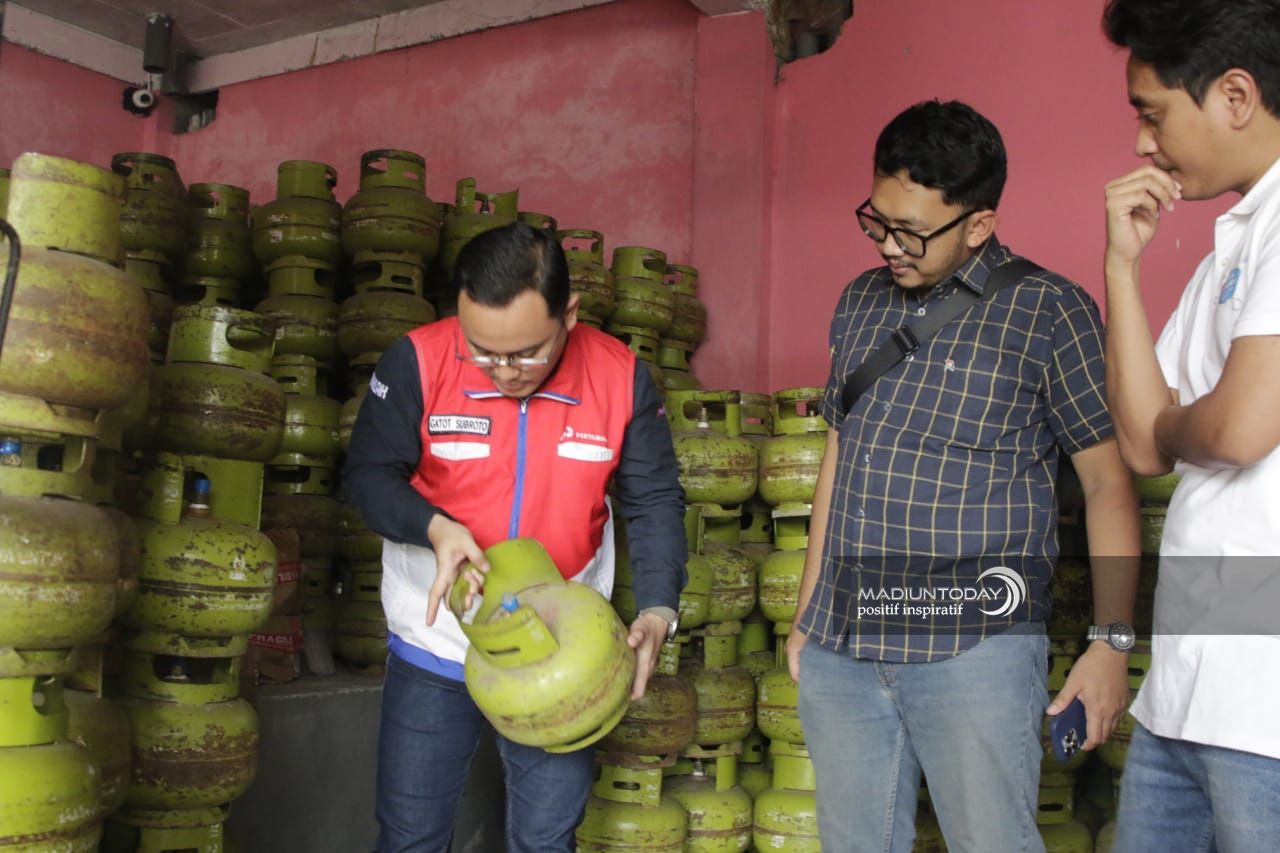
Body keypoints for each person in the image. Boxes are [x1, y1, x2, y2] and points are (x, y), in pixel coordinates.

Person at [786, 100, 1142, 853]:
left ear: (978, 224)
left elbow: (1108, 484)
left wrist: (1110, 643)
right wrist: (809, 612)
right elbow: (841, 458)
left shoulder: (1050, 311)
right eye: (877, 221)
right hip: (844, 647)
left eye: (912, 231)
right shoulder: (860, 302)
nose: (890, 245)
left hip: (976, 649)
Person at [343, 221, 687, 853]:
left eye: (527, 352)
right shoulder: (418, 359)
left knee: (545, 838)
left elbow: (655, 499)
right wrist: (435, 527)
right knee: (411, 835)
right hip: (436, 639)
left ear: (569, 314)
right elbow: (367, 476)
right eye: (481, 351)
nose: (504, 372)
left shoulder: (619, 377)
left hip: (563, 649)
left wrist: (660, 608)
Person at [1101, 2, 1280, 850]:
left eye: (1153, 113)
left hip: (1265, 708)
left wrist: (1177, 424)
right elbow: (1142, 444)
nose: (1143, 143)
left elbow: (1242, 427)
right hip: (1184, 694)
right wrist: (1121, 266)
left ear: (1235, 96)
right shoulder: (1227, 254)